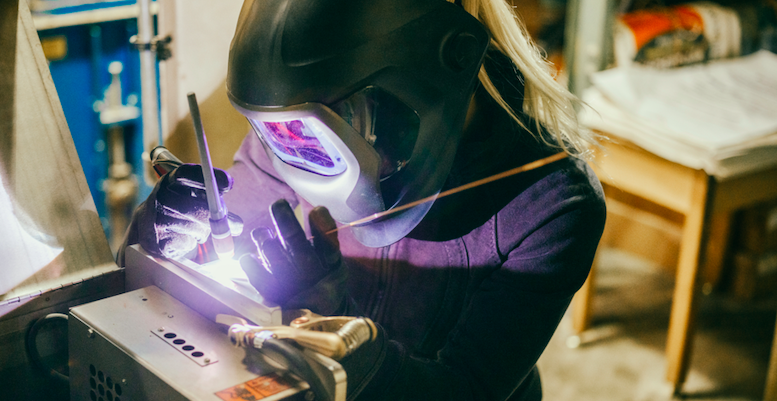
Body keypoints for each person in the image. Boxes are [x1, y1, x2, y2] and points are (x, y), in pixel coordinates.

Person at [119, 0, 606, 399]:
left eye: (334, 123)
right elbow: (210, 273)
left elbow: (464, 391)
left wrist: (341, 335)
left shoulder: (552, 204)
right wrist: (161, 240)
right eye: (278, 133)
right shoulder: (292, 130)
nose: (297, 154)